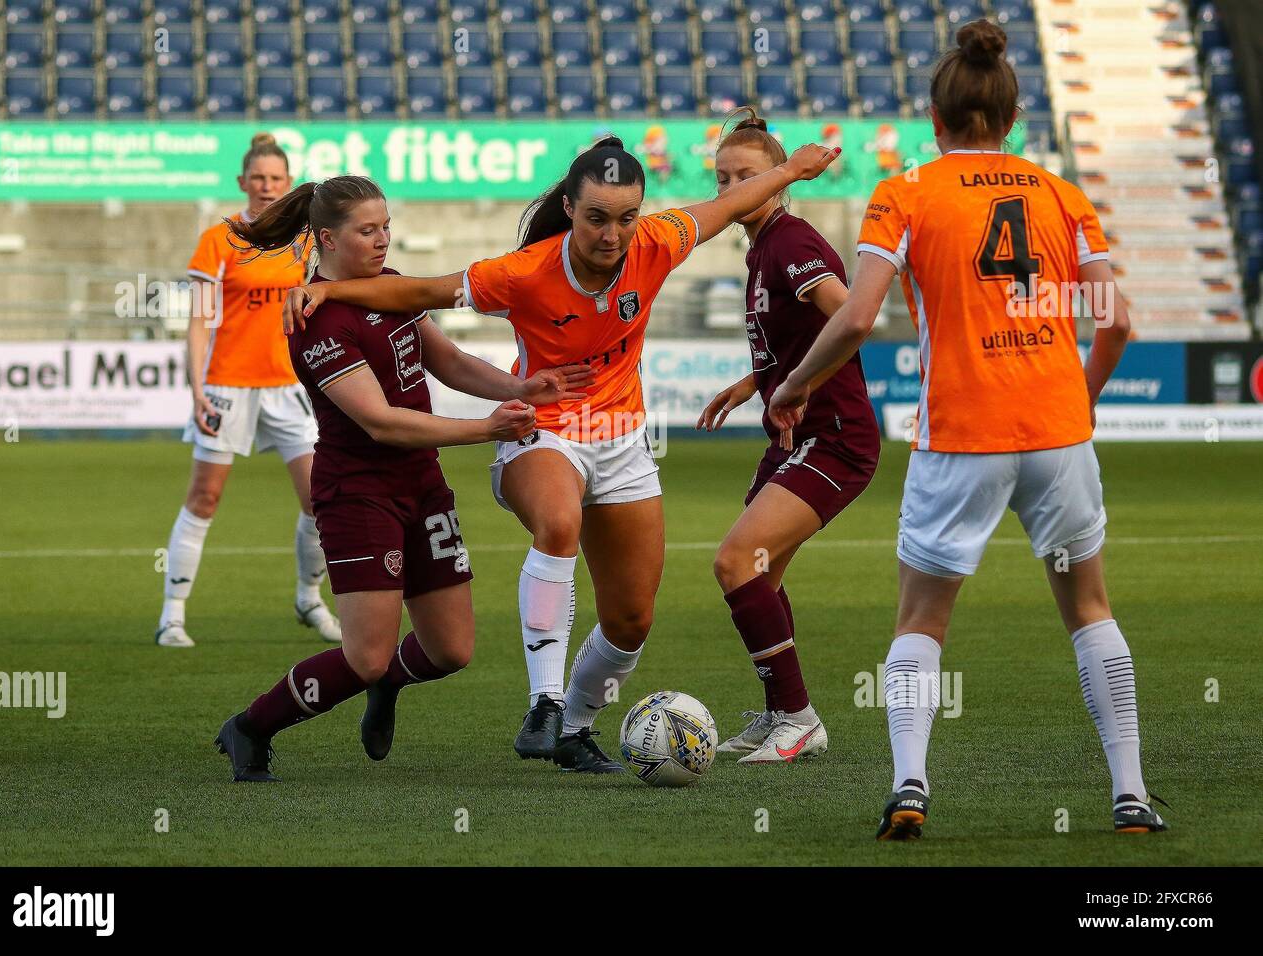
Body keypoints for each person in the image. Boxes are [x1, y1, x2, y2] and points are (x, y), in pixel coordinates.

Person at [283, 136, 840, 772]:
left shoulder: (659, 242)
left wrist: (794, 169)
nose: (613, 233)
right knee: (558, 523)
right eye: (597, 217)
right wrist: (330, 293)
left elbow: (729, 202)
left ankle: (573, 725)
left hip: (624, 438)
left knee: (631, 619)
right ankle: (543, 703)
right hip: (542, 428)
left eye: (627, 216)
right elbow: (424, 292)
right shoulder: (525, 272)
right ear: (570, 210)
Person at [769, 20, 1167, 837]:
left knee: (921, 621)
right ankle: (1130, 794)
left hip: (963, 435)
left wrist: (794, 386)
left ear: (935, 117)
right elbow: (1116, 320)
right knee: (1090, 609)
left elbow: (855, 318)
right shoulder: (1062, 195)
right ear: (1012, 117)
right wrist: (1079, 399)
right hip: (1058, 435)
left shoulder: (906, 194)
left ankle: (909, 789)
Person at [213, 175, 590, 781]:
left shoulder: (390, 288)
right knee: (363, 656)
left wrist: (519, 387)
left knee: (452, 650)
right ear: (327, 239)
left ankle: (387, 682)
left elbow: (444, 358)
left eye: (386, 226)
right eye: (367, 231)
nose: (383, 239)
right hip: (358, 495)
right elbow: (381, 424)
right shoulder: (317, 319)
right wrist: (485, 430)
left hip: (422, 485)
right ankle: (251, 728)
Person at [697, 108, 880, 764]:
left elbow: (852, 317)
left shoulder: (792, 242)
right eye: (720, 178)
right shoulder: (764, 247)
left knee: (735, 562)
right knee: (760, 573)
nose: (727, 188)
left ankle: (798, 717)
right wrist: (757, 380)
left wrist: (795, 384)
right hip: (800, 439)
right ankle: (782, 712)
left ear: (779, 180)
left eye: (744, 175)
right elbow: (805, 330)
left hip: (835, 438)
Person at [156, 133, 341, 648]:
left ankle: (309, 597)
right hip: (227, 386)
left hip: (291, 387)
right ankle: (172, 614)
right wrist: (197, 392)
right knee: (205, 495)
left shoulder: (306, 240)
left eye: (276, 179)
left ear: (288, 183)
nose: (266, 186)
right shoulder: (219, 238)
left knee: (317, 500)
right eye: (258, 178)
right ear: (243, 182)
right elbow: (198, 322)